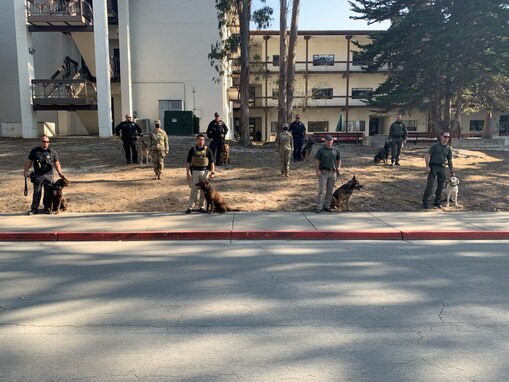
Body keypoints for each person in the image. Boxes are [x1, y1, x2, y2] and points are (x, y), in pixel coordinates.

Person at [23, 135, 65, 215]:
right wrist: (25, 171)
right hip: (38, 175)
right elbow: (29, 161)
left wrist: (60, 173)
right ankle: (34, 209)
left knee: (48, 193)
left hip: (49, 176)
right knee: (37, 193)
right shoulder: (34, 151)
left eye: (47, 142)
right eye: (43, 141)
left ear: (49, 143)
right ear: (40, 142)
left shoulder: (52, 152)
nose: (45, 143)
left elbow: (57, 163)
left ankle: (47, 208)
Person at [422, 131, 455, 209]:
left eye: (448, 137)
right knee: (430, 185)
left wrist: (452, 171)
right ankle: (425, 201)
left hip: (441, 168)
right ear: (441, 137)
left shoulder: (448, 148)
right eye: (445, 137)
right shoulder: (435, 146)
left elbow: (450, 160)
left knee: (440, 186)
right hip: (433, 167)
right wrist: (427, 167)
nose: (446, 138)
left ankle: (437, 201)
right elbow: (427, 156)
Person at [185, 134, 215, 214]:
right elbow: (188, 162)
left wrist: (212, 172)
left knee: (203, 190)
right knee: (193, 189)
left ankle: (201, 206)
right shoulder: (192, 149)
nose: (201, 141)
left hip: (205, 172)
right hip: (195, 171)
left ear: (204, 141)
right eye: (199, 139)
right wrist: (188, 173)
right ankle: (191, 206)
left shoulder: (208, 150)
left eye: (202, 139)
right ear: (197, 140)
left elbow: (212, 162)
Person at [314, 135, 341, 213]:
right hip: (323, 173)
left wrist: (338, 167)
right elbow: (317, 161)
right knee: (321, 191)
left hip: (332, 173)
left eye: (330, 141)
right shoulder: (321, 150)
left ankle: (327, 206)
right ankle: (318, 207)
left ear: (332, 141)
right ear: (325, 141)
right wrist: (317, 170)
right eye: (327, 141)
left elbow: (339, 159)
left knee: (330, 191)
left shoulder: (336, 150)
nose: (329, 142)